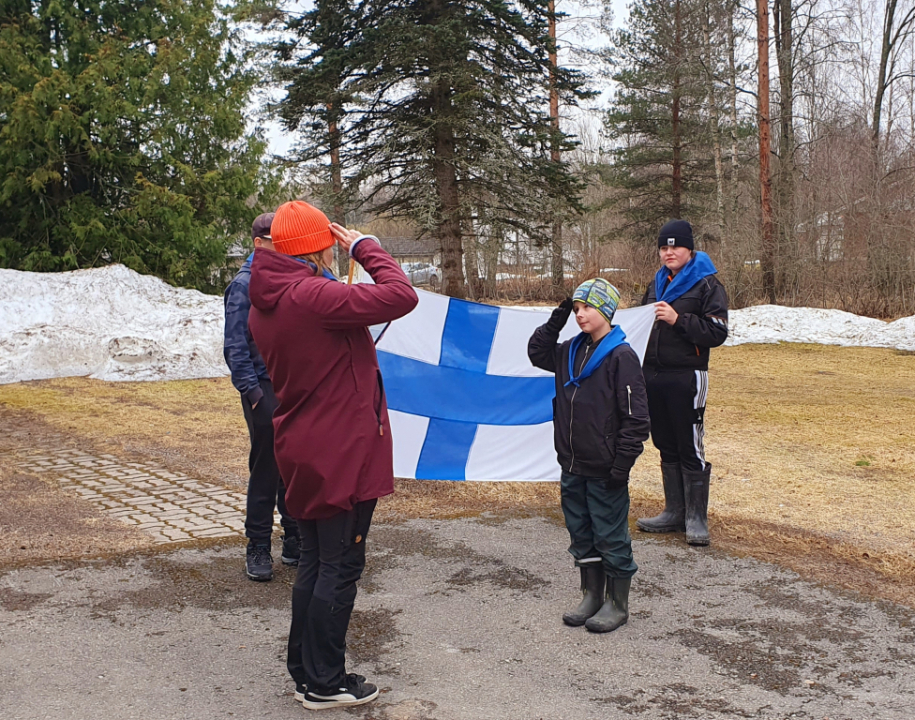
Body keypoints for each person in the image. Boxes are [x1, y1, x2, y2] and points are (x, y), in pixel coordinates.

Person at [247, 200, 417, 710]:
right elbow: (400, 295)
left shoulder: (267, 296)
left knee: (317, 563)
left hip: (304, 444)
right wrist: (365, 248)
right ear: (316, 244)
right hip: (340, 449)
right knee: (339, 567)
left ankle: (307, 670)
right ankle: (325, 682)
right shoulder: (314, 296)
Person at [528, 279, 650, 634]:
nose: (581, 315)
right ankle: (591, 593)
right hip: (572, 462)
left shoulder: (621, 357)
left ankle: (617, 602)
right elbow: (537, 353)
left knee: (610, 535)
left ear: (607, 311)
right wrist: (557, 318)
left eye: (588, 308)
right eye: (577, 309)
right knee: (580, 531)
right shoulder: (569, 351)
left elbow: (637, 419)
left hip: (605, 467)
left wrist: (621, 465)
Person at [635, 219, 729, 546]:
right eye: (664, 247)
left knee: (690, 445)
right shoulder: (656, 283)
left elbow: (717, 332)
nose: (669, 252)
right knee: (665, 442)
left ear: (690, 249)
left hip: (687, 375)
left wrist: (679, 320)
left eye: (675, 246)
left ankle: (696, 518)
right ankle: (674, 512)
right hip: (654, 375)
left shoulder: (707, 285)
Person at [223, 212, 300, 582]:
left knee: (294, 463)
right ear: (259, 243)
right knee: (267, 466)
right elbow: (235, 346)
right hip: (262, 388)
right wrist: (254, 394)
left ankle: (294, 536)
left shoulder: (288, 276)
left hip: (289, 384)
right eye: (275, 240)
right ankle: (257, 545)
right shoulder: (244, 284)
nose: (282, 247)